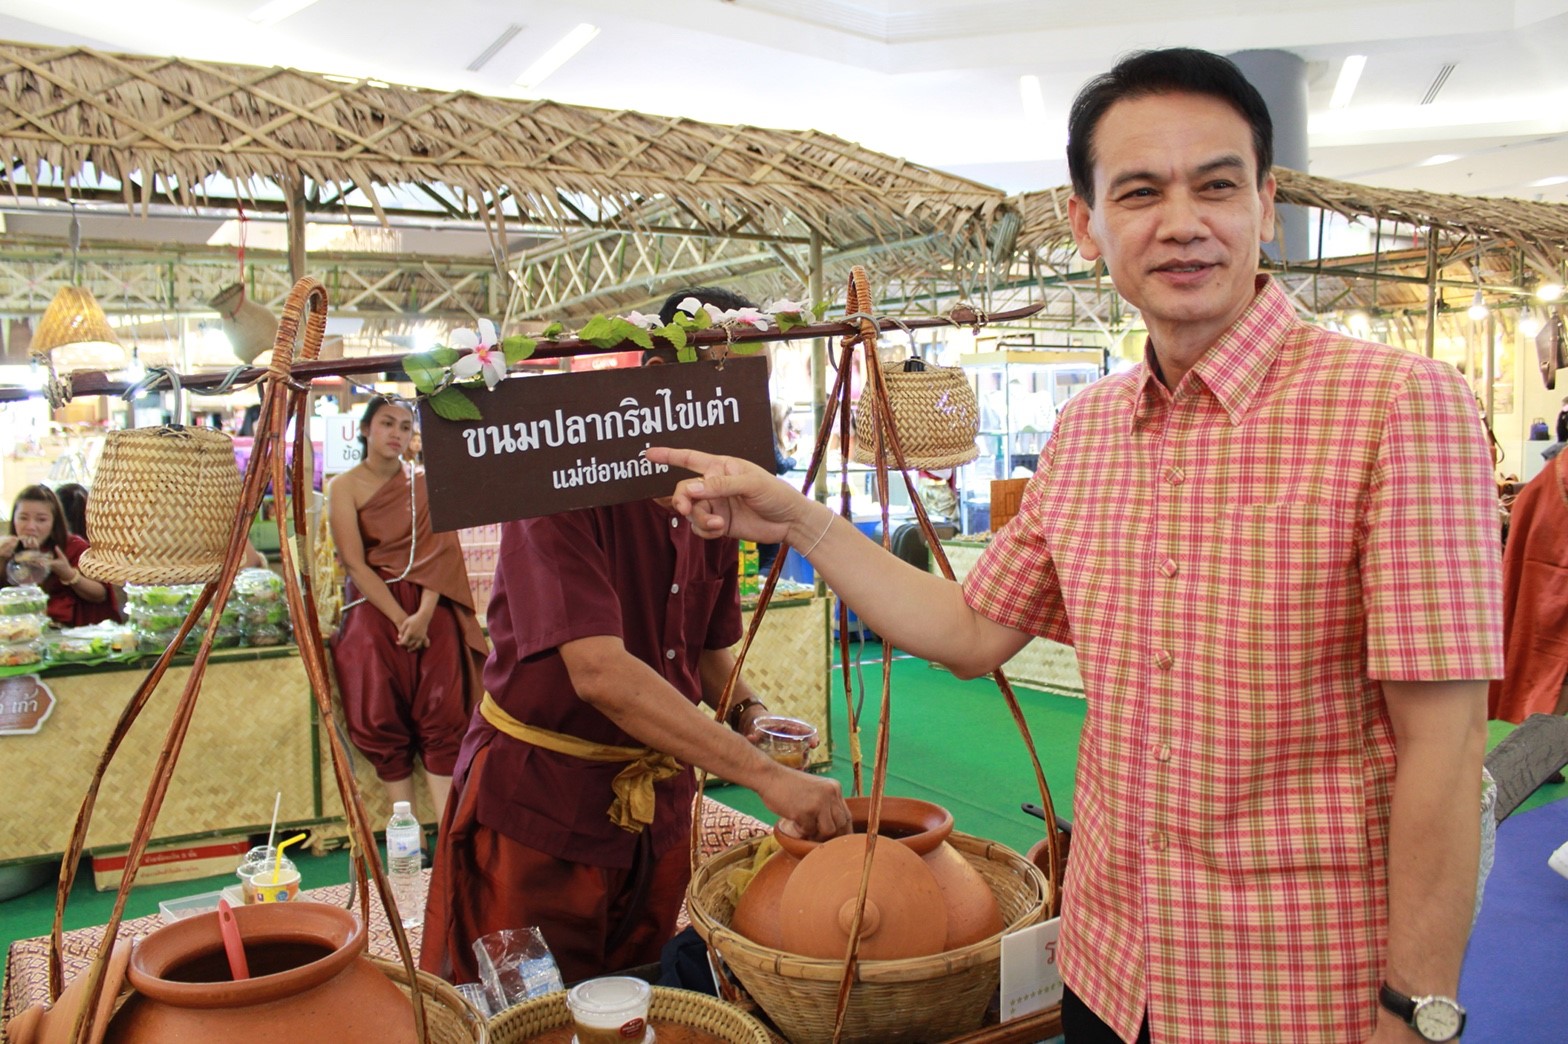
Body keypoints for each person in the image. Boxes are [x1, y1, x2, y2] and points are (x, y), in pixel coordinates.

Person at [649, 49, 1503, 1044]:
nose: (1181, 222)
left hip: (1294, 991)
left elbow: (1441, 749)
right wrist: (795, 518)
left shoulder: (1396, 409)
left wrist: (1417, 1006)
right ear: (1087, 224)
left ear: (1265, 205)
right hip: (1106, 969)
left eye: (1216, 185)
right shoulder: (1090, 430)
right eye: (1138, 192)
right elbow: (969, 630)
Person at [421, 290, 848, 987]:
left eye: (751, 385)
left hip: (655, 817)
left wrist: (750, 713)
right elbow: (600, 673)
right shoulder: (559, 483)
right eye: (724, 384)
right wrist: (764, 775)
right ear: (655, 372)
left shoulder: (710, 494)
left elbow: (706, 653)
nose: (737, 406)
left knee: (634, 996)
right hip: (542, 815)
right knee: (522, 1010)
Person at [328, 397, 488, 816]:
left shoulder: (423, 484)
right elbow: (354, 563)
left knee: (444, 708)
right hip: (374, 606)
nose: (396, 433)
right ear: (366, 429)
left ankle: (447, 829)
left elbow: (442, 554)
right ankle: (406, 831)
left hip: (429, 604)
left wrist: (423, 614)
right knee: (377, 707)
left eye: (404, 426)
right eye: (386, 423)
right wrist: (402, 619)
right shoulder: (343, 487)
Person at [0, 484, 120, 627]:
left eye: (41, 519)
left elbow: (100, 594)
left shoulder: (75, 546)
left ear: (54, 523)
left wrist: (68, 574)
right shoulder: (6, 548)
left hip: (73, 634)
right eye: (23, 518)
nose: (31, 527)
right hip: (18, 632)